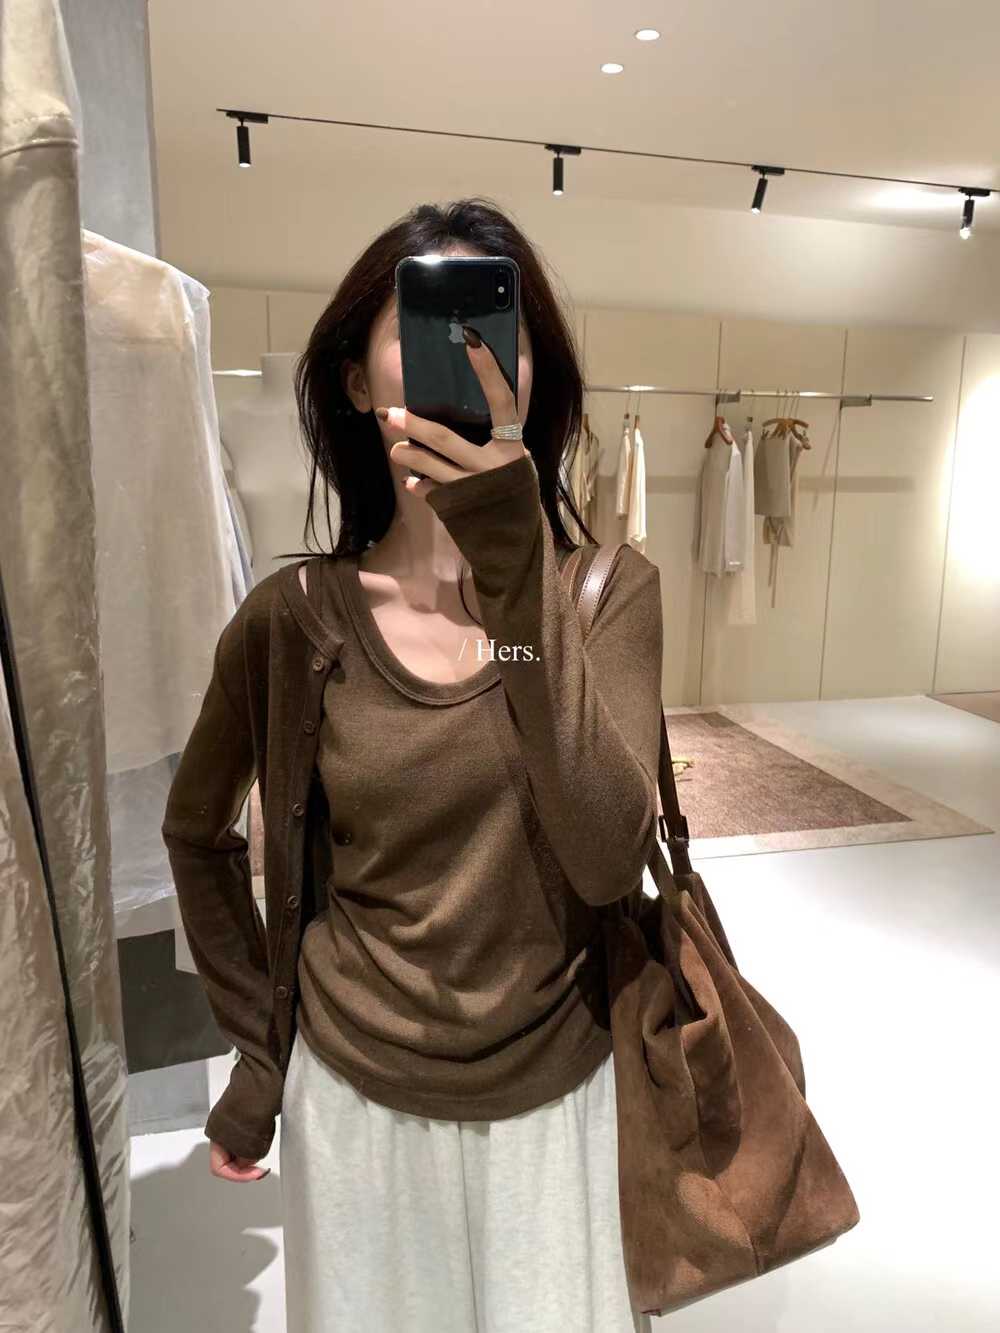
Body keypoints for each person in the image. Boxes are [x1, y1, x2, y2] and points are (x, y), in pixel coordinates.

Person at [166, 197, 663, 1332]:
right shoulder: (295, 618)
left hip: (561, 1106)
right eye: (433, 324)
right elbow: (196, 832)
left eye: (499, 326)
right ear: (356, 380)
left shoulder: (605, 597)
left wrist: (515, 565)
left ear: (536, 374)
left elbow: (606, 858)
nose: (473, 354)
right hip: (359, 1114)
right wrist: (261, 1046)